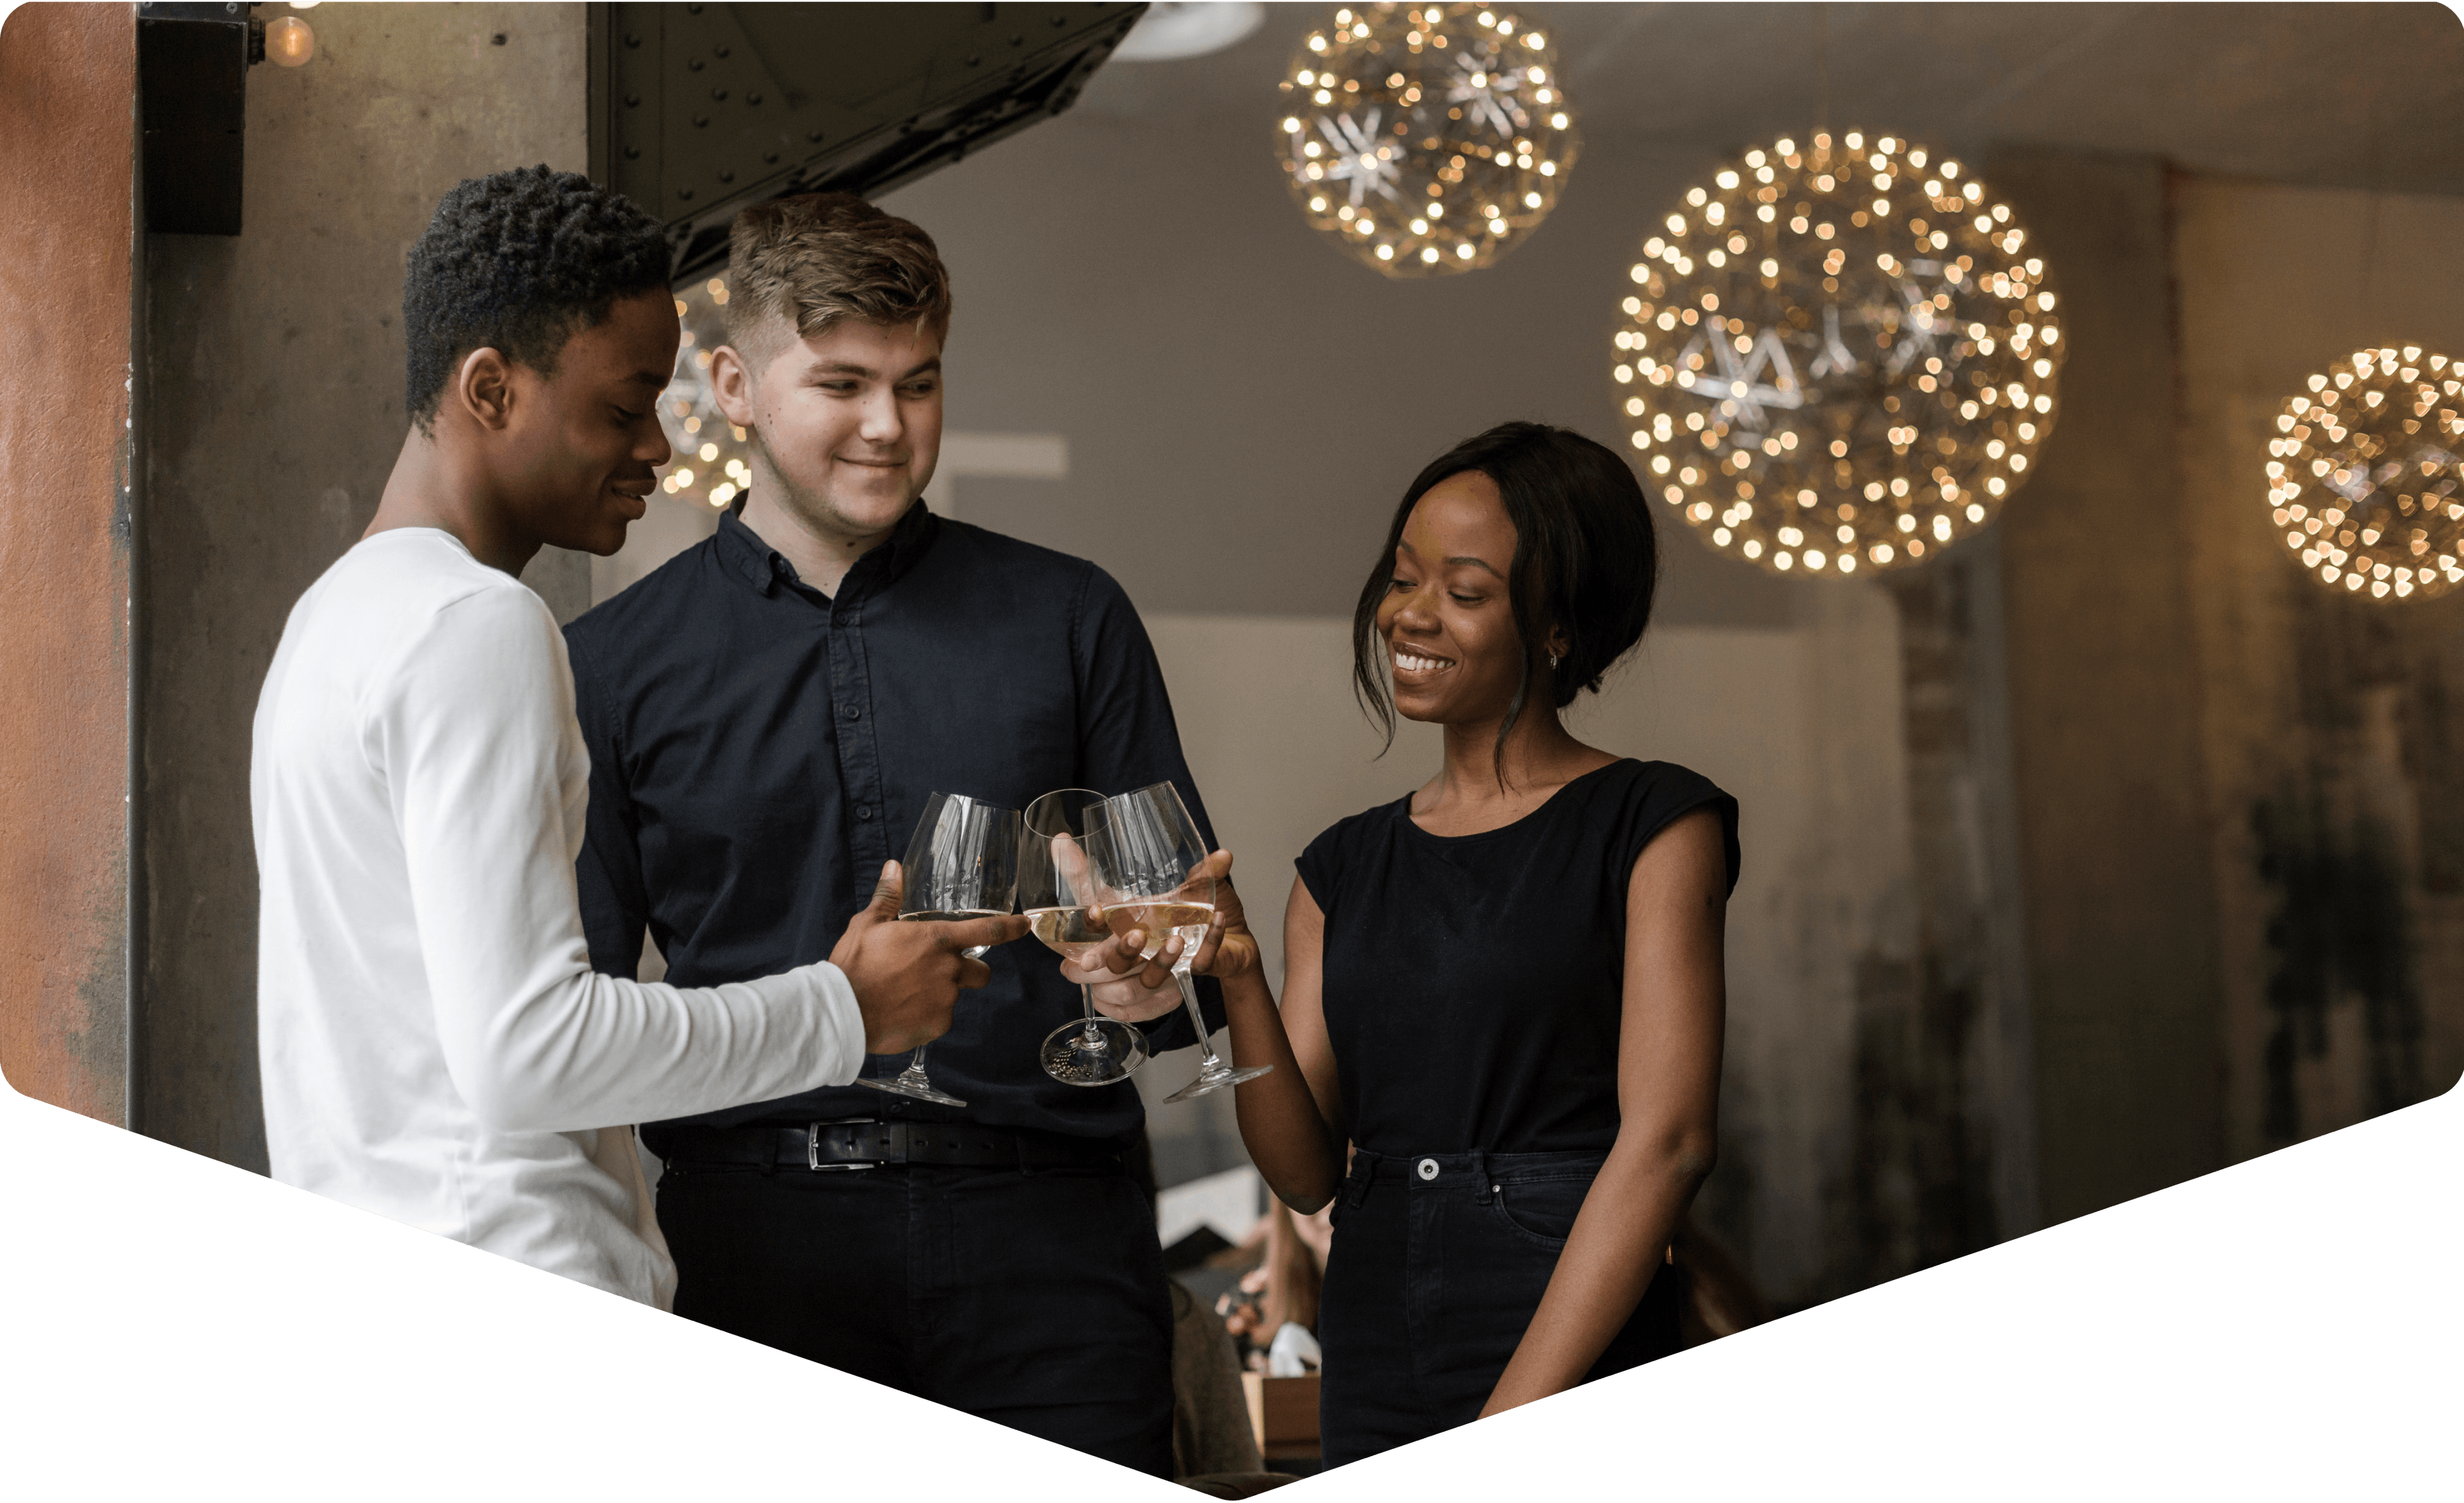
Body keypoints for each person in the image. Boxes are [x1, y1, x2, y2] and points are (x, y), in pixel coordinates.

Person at [252, 166, 1019, 1310]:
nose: (659, 451)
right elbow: (529, 1052)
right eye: (622, 408)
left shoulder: (330, 621)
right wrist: (843, 1008)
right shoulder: (479, 624)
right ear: (490, 390)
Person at [561, 192, 1219, 1476]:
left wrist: (1157, 974)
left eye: (917, 384)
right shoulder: (609, 669)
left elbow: (1184, 950)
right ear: (734, 384)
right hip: (754, 1259)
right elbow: (569, 1026)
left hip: (1055, 1251)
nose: (888, 425)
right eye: (844, 382)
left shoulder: (1071, 618)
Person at [1103, 421, 1738, 1466]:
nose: (1410, 613)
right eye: (1403, 578)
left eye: (1466, 589)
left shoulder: (1655, 822)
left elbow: (1669, 1144)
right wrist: (1245, 980)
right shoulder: (1341, 867)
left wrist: (1514, 1411)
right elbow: (1307, 1174)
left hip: (1568, 1307)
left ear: (1557, 628)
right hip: (1377, 1315)